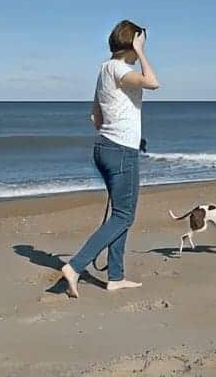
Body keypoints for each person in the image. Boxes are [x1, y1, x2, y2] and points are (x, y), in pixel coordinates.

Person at [61, 20, 159, 297]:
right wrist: (140, 52)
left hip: (105, 147)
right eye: (141, 41)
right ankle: (75, 266)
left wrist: (124, 133)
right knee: (124, 215)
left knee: (120, 214)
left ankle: (115, 277)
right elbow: (153, 82)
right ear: (132, 42)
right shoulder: (120, 69)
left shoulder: (105, 69)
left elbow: (96, 115)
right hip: (120, 151)